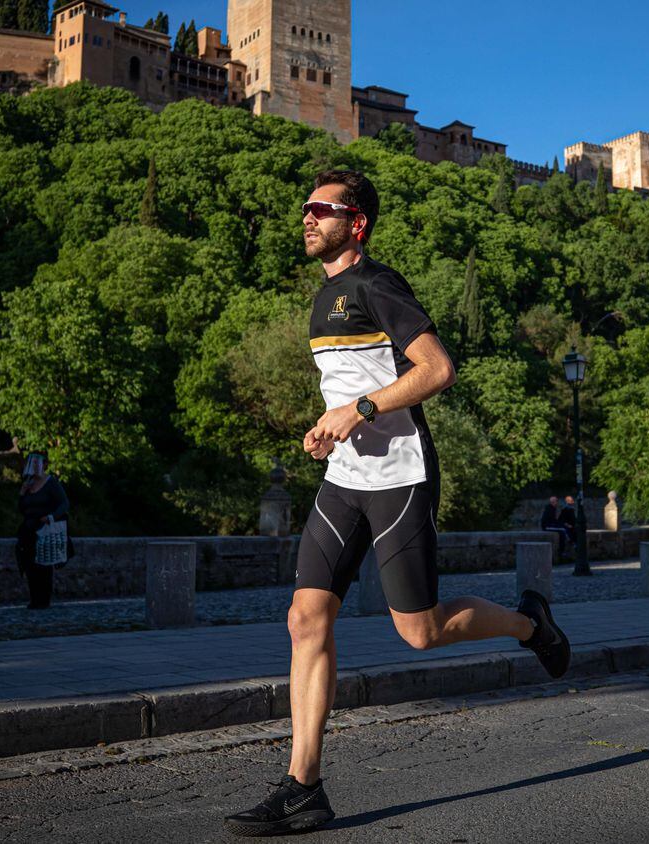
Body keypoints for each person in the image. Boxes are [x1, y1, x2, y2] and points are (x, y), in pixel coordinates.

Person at [224, 170, 571, 837]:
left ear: (355, 223)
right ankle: (304, 787)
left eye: (321, 209)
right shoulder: (322, 297)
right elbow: (354, 382)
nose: (306, 217)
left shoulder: (377, 285)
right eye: (305, 208)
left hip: (400, 477)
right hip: (343, 479)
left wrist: (356, 411)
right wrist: (329, 425)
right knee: (305, 619)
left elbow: (437, 369)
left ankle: (531, 623)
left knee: (419, 631)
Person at [13, 451, 69, 610]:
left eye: (38, 463)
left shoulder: (51, 482)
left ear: (44, 464)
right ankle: (34, 599)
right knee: (29, 565)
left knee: (44, 564)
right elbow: (22, 509)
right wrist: (22, 493)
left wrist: (51, 517)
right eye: (33, 462)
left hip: (45, 529)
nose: (35, 466)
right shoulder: (28, 483)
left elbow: (64, 504)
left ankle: (44, 600)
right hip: (29, 529)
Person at [540, 495, 573, 559]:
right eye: (556, 501)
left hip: (550, 524)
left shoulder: (552, 508)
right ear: (552, 502)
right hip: (547, 526)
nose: (557, 503)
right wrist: (562, 524)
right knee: (563, 530)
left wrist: (562, 524)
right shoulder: (549, 509)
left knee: (564, 528)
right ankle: (563, 549)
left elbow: (554, 520)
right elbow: (552, 520)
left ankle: (569, 541)